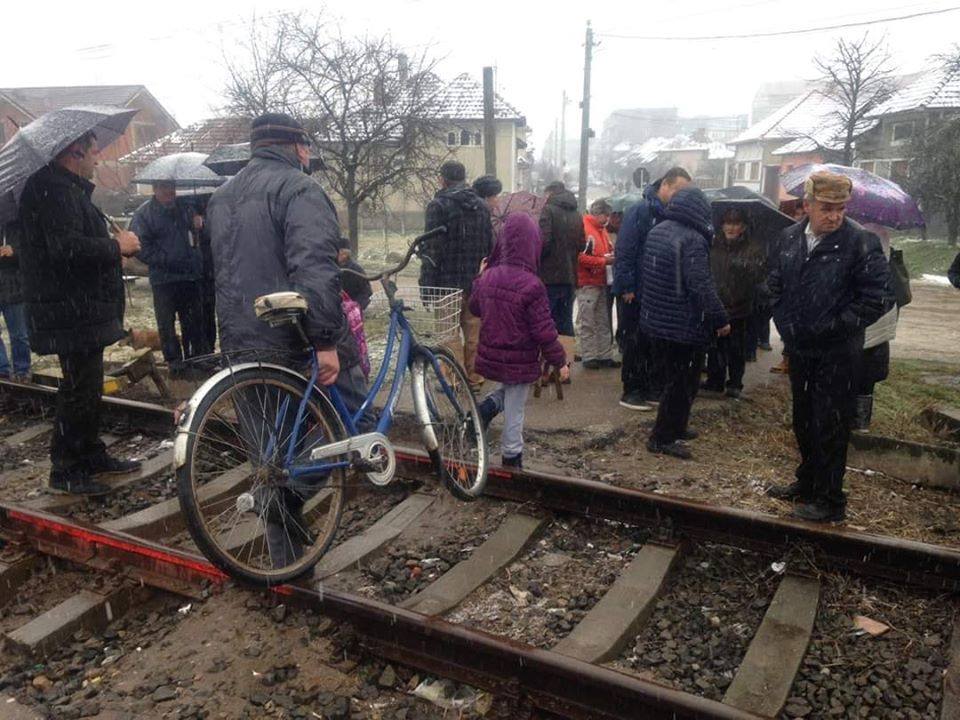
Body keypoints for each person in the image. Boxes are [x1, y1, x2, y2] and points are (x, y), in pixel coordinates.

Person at [207, 112, 355, 566]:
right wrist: (326, 340)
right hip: (289, 340)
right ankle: (284, 501)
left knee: (270, 458)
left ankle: (286, 566)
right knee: (349, 429)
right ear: (298, 147)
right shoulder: (299, 189)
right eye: (308, 147)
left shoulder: (222, 196)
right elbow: (314, 267)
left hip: (239, 341)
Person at [18, 131, 143, 495]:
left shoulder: (63, 188)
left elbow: (70, 246)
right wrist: (114, 245)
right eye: (94, 151)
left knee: (87, 386)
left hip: (80, 308)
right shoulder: (54, 190)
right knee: (78, 388)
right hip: (70, 310)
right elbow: (65, 250)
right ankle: (66, 470)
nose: (98, 159)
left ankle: (89, 453)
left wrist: (110, 252)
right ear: (75, 152)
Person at [766, 172, 888, 522]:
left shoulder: (860, 242)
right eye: (826, 208)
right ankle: (807, 484)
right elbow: (774, 284)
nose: (834, 216)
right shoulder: (789, 238)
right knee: (803, 419)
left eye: (841, 208)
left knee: (831, 425)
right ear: (807, 205)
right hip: (801, 349)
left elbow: (875, 299)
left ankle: (830, 500)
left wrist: (833, 328)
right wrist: (785, 324)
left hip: (839, 353)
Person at [471, 213, 570, 468]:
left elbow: (475, 308)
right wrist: (560, 361)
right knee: (516, 409)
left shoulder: (489, 276)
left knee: (513, 393)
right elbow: (544, 331)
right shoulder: (532, 285)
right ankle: (511, 457)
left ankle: (484, 410)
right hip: (521, 355)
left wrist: (479, 277)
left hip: (493, 353)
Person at [639, 187, 730, 460]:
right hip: (683, 325)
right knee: (680, 383)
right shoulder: (693, 239)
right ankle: (662, 437)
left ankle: (677, 427)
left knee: (677, 380)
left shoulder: (659, 229)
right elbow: (700, 285)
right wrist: (720, 317)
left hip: (658, 321)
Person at [613, 167, 692, 411]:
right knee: (634, 340)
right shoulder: (640, 211)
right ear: (665, 186)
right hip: (636, 290)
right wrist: (627, 285)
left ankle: (649, 387)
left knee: (653, 342)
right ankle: (632, 390)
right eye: (678, 190)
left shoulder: (672, 214)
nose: (681, 196)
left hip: (657, 292)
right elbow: (625, 250)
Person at [420, 161, 493, 390]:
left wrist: (427, 284)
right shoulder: (481, 206)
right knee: (474, 333)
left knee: (448, 332)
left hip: (446, 281)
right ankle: (475, 378)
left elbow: (431, 248)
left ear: (443, 179)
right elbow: (490, 245)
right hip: (475, 281)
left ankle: (451, 379)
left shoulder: (438, 205)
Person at [131, 182, 206, 373]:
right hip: (163, 279)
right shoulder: (144, 214)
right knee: (166, 323)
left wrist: (199, 225)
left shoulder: (187, 208)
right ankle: (174, 362)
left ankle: (196, 358)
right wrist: (166, 259)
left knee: (193, 321)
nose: (169, 192)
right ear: (155, 189)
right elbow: (140, 247)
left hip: (189, 276)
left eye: (171, 187)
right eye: (163, 187)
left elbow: (197, 237)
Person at [703, 208, 765, 399]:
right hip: (717, 305)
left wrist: (746, 268)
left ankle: (735, 383)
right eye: (727, 223)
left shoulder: (753, 249)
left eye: (736, 223)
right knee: (715, 346)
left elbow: (758, 279)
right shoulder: (713, 245)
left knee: (736, 348)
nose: (731, 227)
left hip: (741, 307)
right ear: (721, 225)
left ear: (743, 227)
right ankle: (715, 381)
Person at [538, 181, 584, 337]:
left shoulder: (548, 211)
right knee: (565, 323)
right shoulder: (577, 214)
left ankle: (546, 360)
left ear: (550, 193)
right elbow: (582, 244)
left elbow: (544, 242)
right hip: (570, 277)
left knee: (545, 322)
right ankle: (566, 359)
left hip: (549, 278)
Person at [578, 199, 618, 370]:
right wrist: (604, 261)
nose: (608, 219)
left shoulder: (600, 230)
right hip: (588, 281)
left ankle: (603, 355)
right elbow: (580, 258)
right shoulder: (586, 230)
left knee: (602, 319)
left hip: (600, 280)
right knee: (588, 320)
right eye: (606, 215)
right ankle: (590, 356)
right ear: (599, 214)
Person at [0, 222, 31, 382]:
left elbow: (31, 253)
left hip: (14, 287)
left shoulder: (17, 228)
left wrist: (14, 252)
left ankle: (22, 370)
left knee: (19, 334)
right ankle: (2, 370)